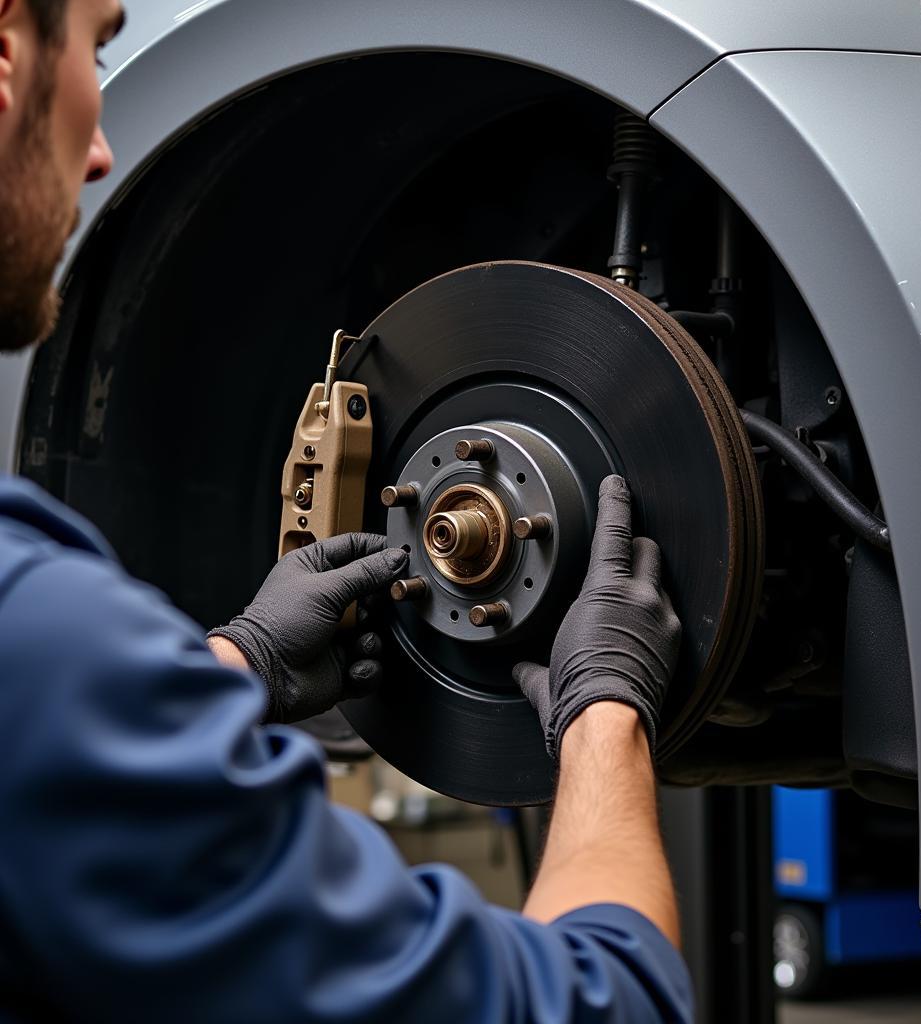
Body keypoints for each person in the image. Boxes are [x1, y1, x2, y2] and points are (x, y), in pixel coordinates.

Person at [0, 0, 694, 1019]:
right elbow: (603, 1002)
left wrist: (232, 661)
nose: (102, 154)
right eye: (100, 48)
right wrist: (603, 720)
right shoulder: (40, 645)